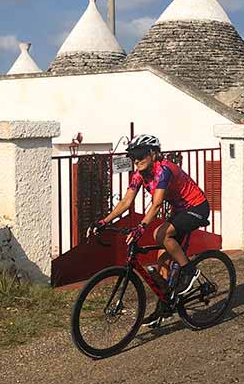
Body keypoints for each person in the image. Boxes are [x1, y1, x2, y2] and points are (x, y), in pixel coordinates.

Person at [89, 134, 210, 327]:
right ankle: (164, 308)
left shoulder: (164, 171)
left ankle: (189, 270)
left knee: (160, 234)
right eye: (132, 156)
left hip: (196, 208)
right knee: (162, 260)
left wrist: (141, 227)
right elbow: (126, 202)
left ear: (153, 154)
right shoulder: (139, 175)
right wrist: (103, 221)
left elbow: (157, 203)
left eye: (140, 154)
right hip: (180, 210)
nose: (136, 159)